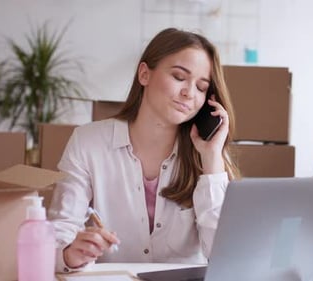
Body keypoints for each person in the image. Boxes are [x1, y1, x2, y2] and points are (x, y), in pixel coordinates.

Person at [48, 27, 240, 273]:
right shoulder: (88, 142)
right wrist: (70, 253)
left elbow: (225, 254)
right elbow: (59, 233)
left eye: (201, 88)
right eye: (179, 77)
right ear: (144, 74)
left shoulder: (206, 155)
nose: (189, 93)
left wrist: (212, 160)